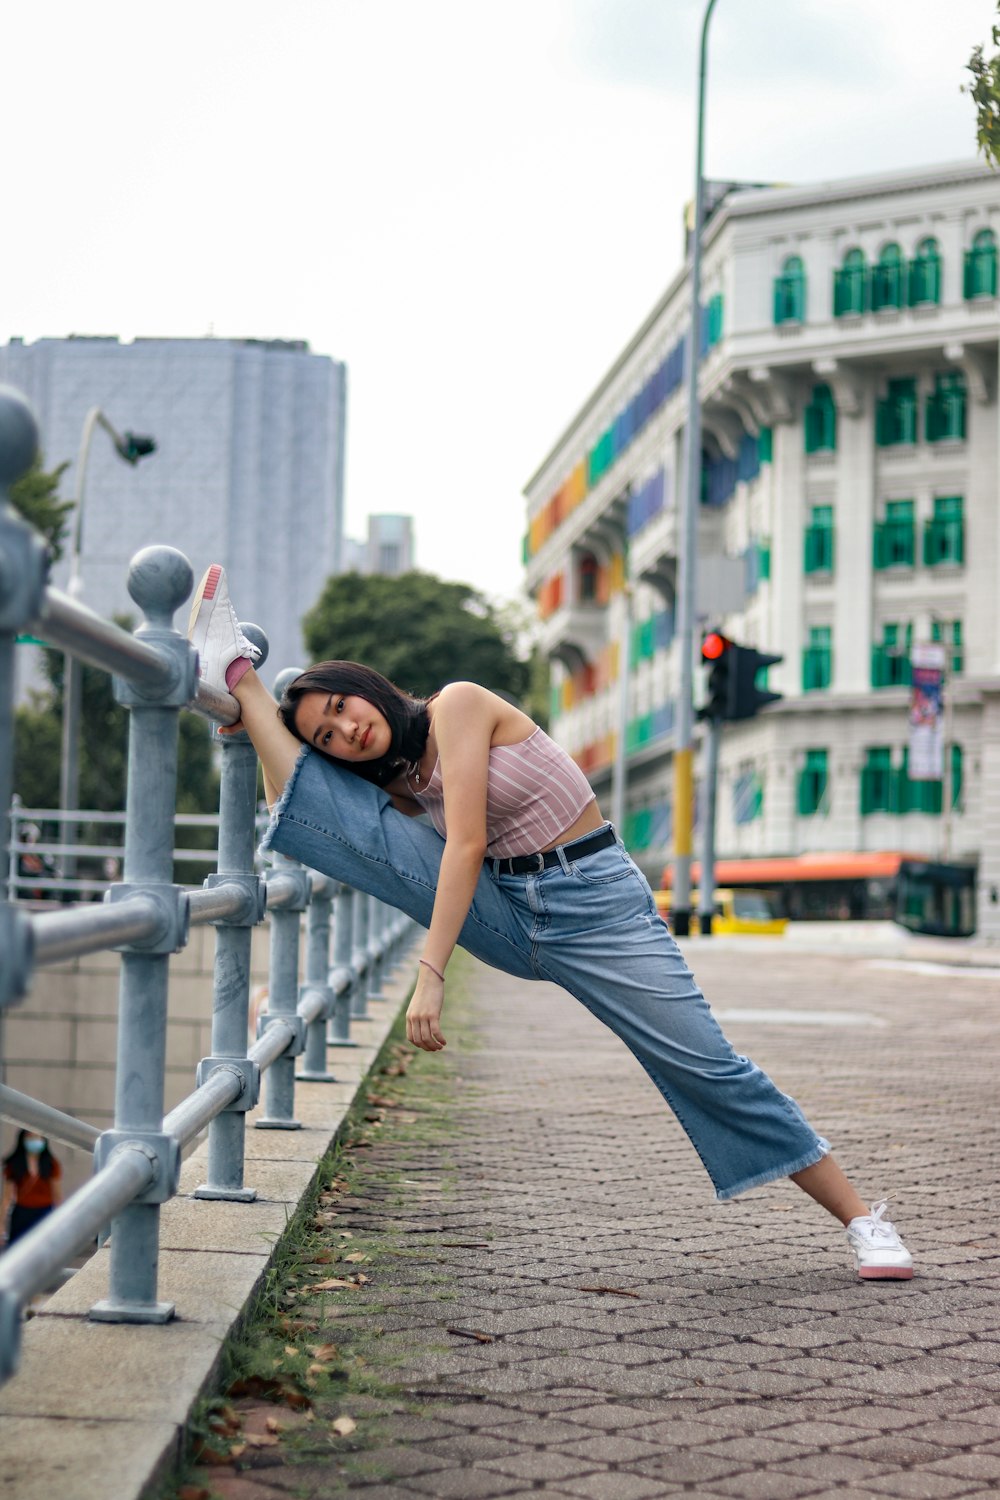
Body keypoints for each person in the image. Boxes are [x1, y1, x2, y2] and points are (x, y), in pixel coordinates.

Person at [188, 565, 913, 1281]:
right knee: (365, 831)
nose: (348, 729)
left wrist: (431, 975)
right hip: (512, 911)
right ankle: (240, 679)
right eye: (328, 736)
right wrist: (251, 715)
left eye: (343, 706)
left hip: (596, 907)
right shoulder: (402, 783)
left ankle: (863, 1222)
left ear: (366, 685)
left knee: (703, 1063)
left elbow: (465, 842)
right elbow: (310, 806)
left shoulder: (459, 706)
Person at [1, 1130, 62, 1247]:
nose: (35, 1141)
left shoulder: (51, 1164)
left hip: (44, 1212)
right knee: (17, 1249)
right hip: (21, 1213)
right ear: (23, 1140)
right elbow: (7, 1197)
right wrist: (1, 1225)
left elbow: (57, 1195)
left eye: (38, 1138)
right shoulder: (14, 1164)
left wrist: (60, 1219)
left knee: (43, 1248)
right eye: (30, 1137)